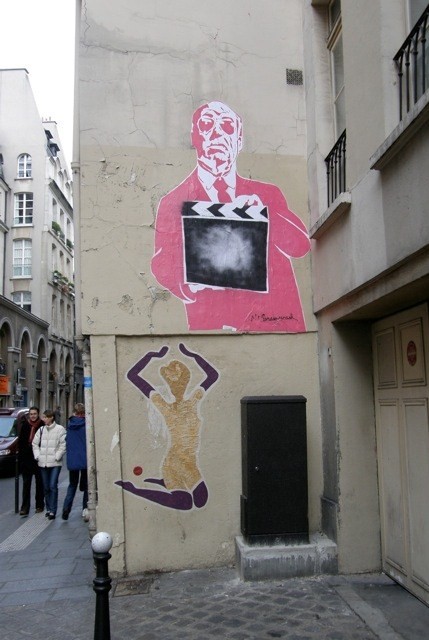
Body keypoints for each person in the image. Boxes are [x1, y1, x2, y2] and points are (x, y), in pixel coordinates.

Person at [151, 101, 311, 332]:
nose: (217, 133)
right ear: (194, 137)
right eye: (207, 125)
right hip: (214, 325)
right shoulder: (173, 202)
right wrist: (188, 282)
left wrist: (265, 214)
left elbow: (301, 246)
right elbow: (162, 263)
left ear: (239, 140)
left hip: (274, 320)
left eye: (226, 126)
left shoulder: (268, 194)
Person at [115, 343, 219, 510]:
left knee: (201, 500)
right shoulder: (165, 406)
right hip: (173, 462)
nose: (176, 387)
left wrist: (193, 354)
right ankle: (136, 489)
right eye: (173, 383)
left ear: (186, 382)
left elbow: (212, 375)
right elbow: (133, 376)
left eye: (181, 382)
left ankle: (165, 483)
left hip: (190, 464)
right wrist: (151, 355)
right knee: (185, 503)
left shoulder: (194, 400)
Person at [32, 409, 66, 520]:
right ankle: (49, 508)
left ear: (51, 417)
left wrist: (57, 456)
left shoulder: (60, 429)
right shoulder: (41, 430)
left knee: (52, 486)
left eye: (45, 417)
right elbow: (35, 444)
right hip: (43, 463)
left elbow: (63, 444)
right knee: (46, 487)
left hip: (55, 463)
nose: (43, 419)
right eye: (43, 417)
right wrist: (38, 456)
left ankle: (53, 511)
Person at [61, 403, 89, 522]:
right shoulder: (86, 425)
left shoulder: (70, 425)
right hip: (85, 459)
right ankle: (85, 508)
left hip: (73, 460)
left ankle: (66, 508)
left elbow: (67, 441)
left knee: (72, 485)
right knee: (87, 485)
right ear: (83, 413)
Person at [16, 406, 44, 516]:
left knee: (39, 484)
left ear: (38, 414)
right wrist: (21, 459)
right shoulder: (25, 425)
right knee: (26, 485)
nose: (33, 416)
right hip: (26, 460)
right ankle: (25, 507)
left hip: (38, 459)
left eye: (34, 414)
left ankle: (39, 505)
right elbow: (21, 442)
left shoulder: (42, 425)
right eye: (31, 414)